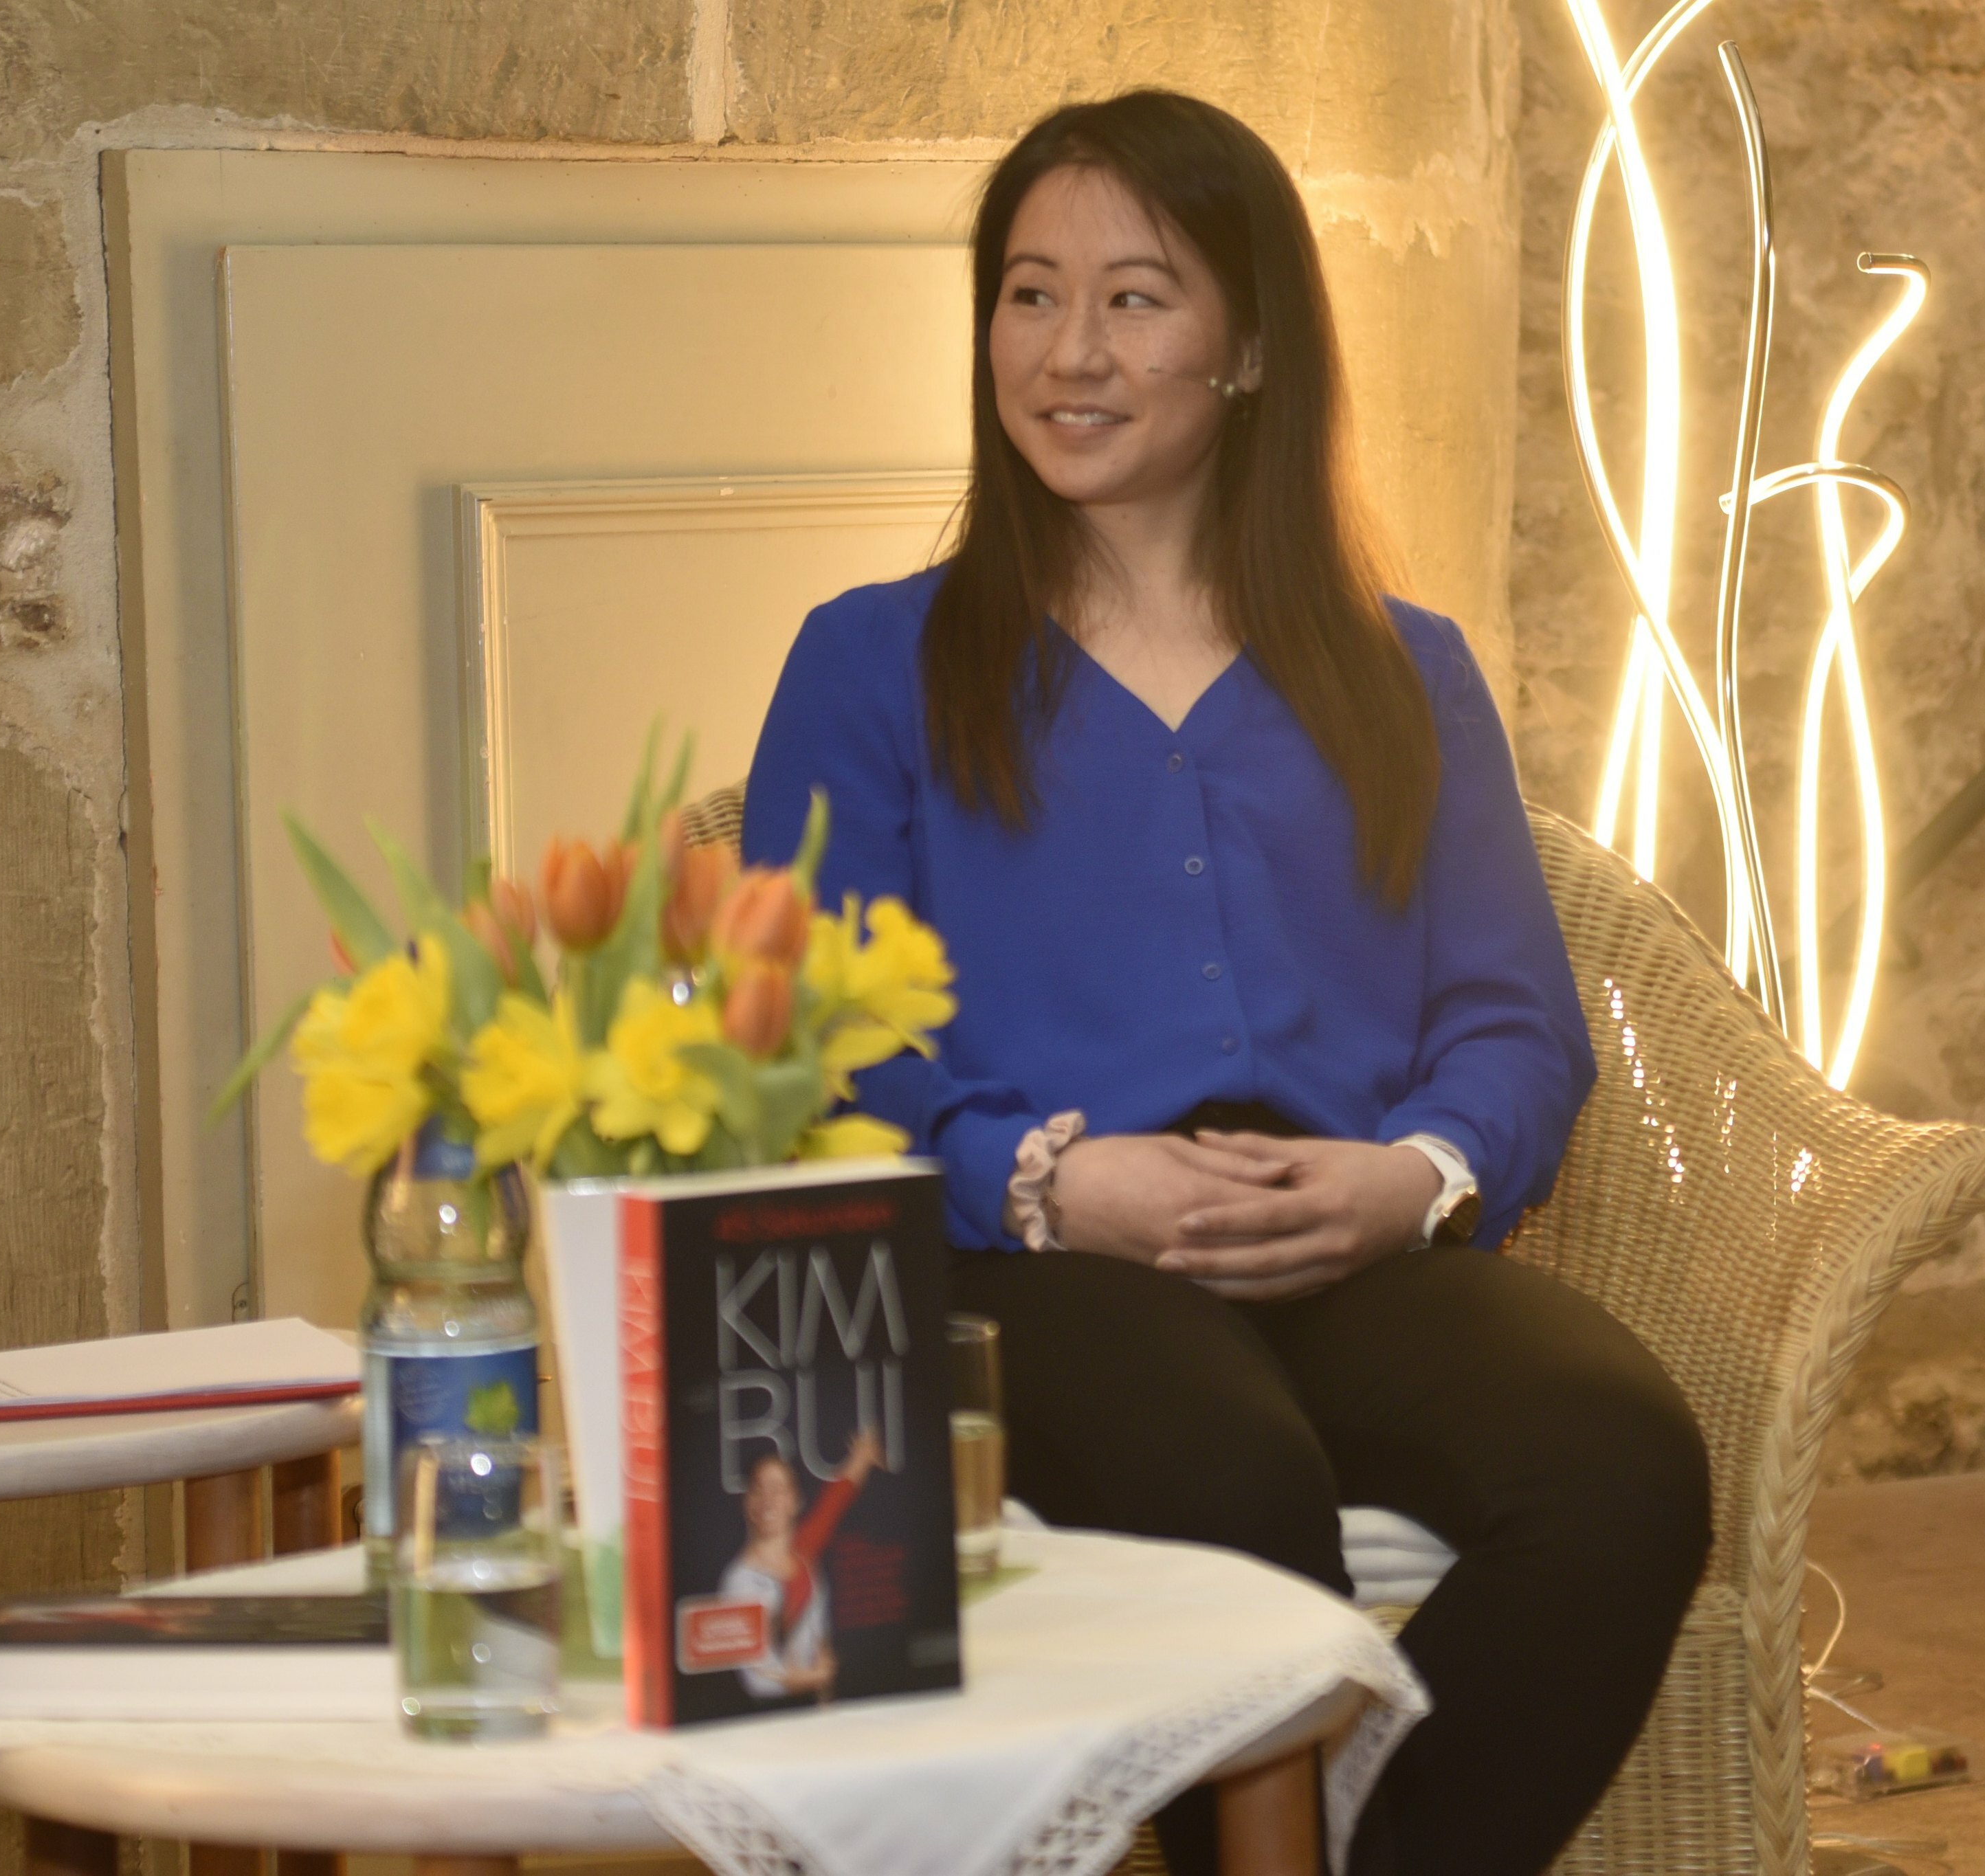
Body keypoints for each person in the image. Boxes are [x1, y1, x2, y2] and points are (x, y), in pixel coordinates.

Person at [743, 89, 1711, 1876]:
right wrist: (1045, 1178)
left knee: (1620, 1462)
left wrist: (1410, 1177)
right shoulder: (870, 664)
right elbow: (802, 1047)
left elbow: (1513, 1019)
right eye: (1030, 295)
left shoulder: (1407, 671)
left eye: (1135, 298)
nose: (1069, 352)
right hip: (1026, 1266)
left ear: (1249, 348)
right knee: (1231, 1487)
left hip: (1346, 1243)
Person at [718, 1430, 883, 1703]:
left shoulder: (803, 1552)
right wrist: (812, 1678)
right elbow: (757, 1679)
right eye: (758, 1489)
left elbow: (833, 1503)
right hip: (770, 1715)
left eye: (778, 1490)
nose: (768, 1499)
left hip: (820, 1707)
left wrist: (863, 1457)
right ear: (748, 1502)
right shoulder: (741, 1581)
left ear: (795, 1501)